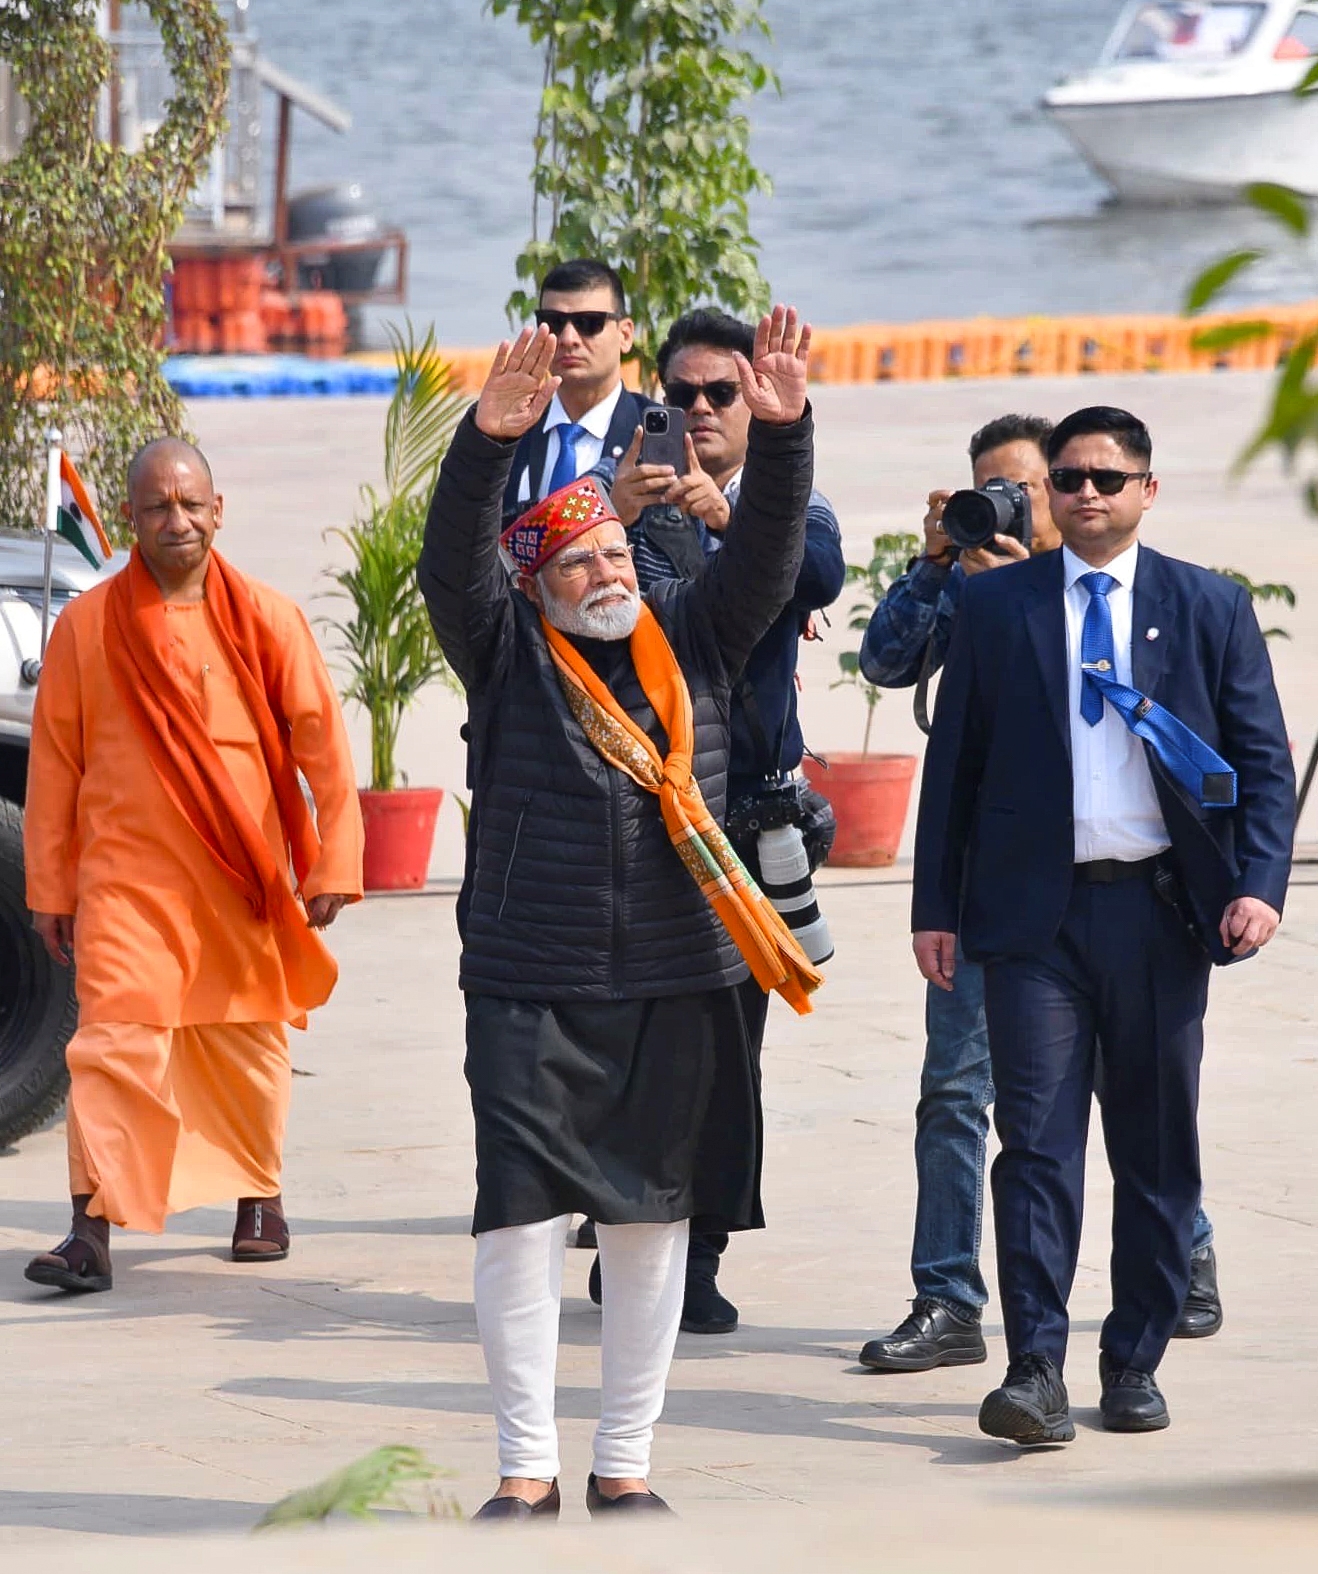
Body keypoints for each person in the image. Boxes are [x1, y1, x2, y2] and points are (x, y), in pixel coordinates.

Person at [419, 308, 820, 1520]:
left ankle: (626, 1460)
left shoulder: (689, 637)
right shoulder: (502, 650)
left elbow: (762, 554)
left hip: (674, 971)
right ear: (536, 582)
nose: (603, 575)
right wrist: (485, 446)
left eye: (612, 557)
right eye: (577, 563)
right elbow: (452, 564)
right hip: (528, 979)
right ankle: (524, 1462)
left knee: (652, 1223)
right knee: (519, 1223)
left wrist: (788, 434)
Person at [911, 405, 1294, 1442]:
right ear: (1046, 493)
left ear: (1146, 491)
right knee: (1033, 1145)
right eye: (1068, 478)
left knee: (1154, 1148)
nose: (1086, 493)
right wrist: (934, 908)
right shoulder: (996, 608)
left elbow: (1261, 762)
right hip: (1032, 924)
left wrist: (1257, 883)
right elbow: (954, 770)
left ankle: (1133, 1359)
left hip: (1162, 916)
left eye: (1108, 478)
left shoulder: (1206, 605)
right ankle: (1034, 1365)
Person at [857, 415, 1222, 1375]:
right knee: (965, 1094)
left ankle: (1184, 1245)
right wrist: (937, 565)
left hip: (1123, 894)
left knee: (1130, 1096)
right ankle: (947, 1297)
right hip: (994, 896)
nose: (1026, 504)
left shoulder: (1137, 593)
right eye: (1003, 489)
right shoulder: (979, 592)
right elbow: (885, 663)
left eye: (1033, 486)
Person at [23, 437, 363, 1293]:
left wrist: (332, 862)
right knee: (109, 1046)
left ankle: (259, 1197)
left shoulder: (268, 618)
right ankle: (89, 1228)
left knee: (243, 1042)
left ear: (219, 511)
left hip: (236, 876)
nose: (175, 521)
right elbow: (55, 768)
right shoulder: (87, 625)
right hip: (125, 884)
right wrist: (49, 890)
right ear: (130, 519)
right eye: (156, 508)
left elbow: (321, 746)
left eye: (189, 505)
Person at [592, 305, 845, 1334]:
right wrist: (618, 509)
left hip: (749, 820)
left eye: (719, 394)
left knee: (730, 1054)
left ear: (754, 403)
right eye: (680, 395)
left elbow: (816, 574)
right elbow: (602, 613)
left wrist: (730, 515)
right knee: (638, 1045)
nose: (698, 411)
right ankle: (627, 1232)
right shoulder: (626, 511)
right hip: (648, 815)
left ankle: (697, 1254)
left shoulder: (791, 509)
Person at [501, 257, 655, 527]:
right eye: (554, 323)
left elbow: (682, 559)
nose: (568, 339)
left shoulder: (654, 434)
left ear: (625, 335)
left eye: (588, 322)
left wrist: (612, 516)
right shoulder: (510, 430)